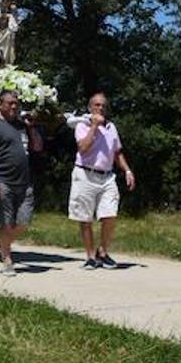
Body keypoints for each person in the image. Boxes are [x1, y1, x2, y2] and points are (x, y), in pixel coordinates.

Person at [65, 93, 137, 270]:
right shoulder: (82, 125)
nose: (100, 108)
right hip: (85, 174)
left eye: (103, 105)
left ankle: (103, 252)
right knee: (85, 217)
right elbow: (83, 148)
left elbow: (117, 152)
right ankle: (90, 256)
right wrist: (94, 127)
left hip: (106, 176)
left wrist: (127, 170)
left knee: (110, 214)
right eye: (96, 105)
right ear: (90, 108)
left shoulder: (112, 128)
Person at [0, 90, 43, 276]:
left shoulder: (22, 126)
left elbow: (38, 147)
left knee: (23, 222)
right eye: (9, 103)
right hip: (3, 181)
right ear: (0, 104)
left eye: (16, 103)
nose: (14, 107)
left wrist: (31, 128)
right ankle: (7, 260)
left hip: (24, 182)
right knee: (7, 223)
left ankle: (4, 243)